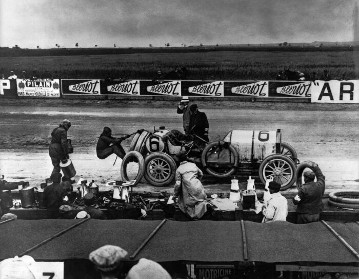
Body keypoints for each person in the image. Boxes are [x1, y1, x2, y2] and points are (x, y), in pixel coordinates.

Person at [173, 154, 208, 220]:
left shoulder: (179, 169)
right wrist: (196, 181)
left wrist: (175, 195)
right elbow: (201, 174)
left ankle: (193, 216)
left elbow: (178, 184)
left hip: (190, 190)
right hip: (198, 186)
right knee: (200, 201)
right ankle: (201, 213)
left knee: (187, 203)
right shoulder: (193, 165)